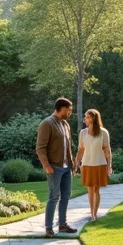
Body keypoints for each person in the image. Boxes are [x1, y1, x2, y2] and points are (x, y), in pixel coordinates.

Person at [36, 98, 77, 236]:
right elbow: (40, 148)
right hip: (54, 167)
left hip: (66, 167)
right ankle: (48, 227)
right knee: (54, 196)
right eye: (68, 110)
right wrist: (46, 165)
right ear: (61, 108)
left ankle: (63, 224)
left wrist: (72, 165)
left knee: (66, 195)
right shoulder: (47, 123)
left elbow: (68, 147)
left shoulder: (65, 124)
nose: (70, 113)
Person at [76, 109, 112, 222]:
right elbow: (81, 149)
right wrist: (77, 162)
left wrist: (109, 166)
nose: (85, 119)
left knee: (96, 189)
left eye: (87, 117)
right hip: (87, 164)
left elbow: (107, 150)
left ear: (93, 118)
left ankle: (95, 213)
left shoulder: (103, 132)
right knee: (90, 189)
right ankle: (92, 213)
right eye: (85, 117)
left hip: (100, 163)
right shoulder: (83, 133)